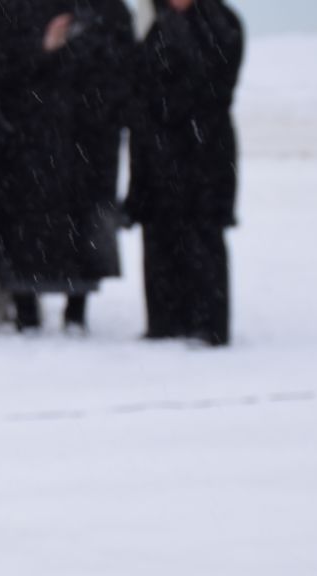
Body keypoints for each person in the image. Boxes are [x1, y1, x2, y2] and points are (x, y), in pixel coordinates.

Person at [0, 0, 132, 332]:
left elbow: (122, 68)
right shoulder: (16, 10)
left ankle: (77, 308)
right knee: (24, 225)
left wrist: (82, 56)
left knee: (81, 226)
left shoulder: (107, 10)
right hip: (28, 139)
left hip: (86, 140)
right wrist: (42, 50)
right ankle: (24, 305)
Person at [127, 0, 240, 346]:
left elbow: (214, 82)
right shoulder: (153, 21)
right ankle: (164, 320)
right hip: (155, 150)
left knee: (202, 232)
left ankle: (209, 323)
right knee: (159, 232)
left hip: (203, 147)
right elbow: (136, 78)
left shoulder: (221, 21)